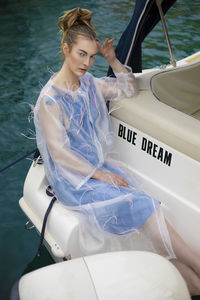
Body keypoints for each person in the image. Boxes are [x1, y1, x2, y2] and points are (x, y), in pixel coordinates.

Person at [34, 7, 200, 296]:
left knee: (142, 203)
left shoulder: (89, 84)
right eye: (80, 54)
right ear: (65, 49)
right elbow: (59, 155)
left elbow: (128, 89)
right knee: (142, 204)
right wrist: (101, 176)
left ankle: (193, 279)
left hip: (92, 168)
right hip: (73, 179)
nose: (86, 63)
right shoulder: (51, 99)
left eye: (92, 56)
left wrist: (113, 59)